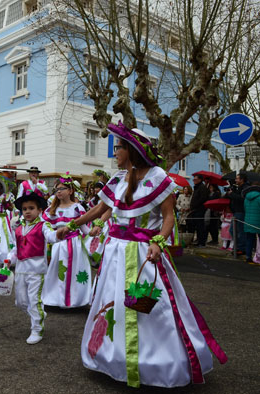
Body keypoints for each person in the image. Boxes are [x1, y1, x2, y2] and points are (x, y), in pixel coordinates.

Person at [58, 122, 226, 388]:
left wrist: (159, 241)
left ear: (133, 150)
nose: (115, 152)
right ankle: (112, 357)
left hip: (144, 252)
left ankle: (155, 362)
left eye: (119, 147)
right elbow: (100, 208)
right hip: (114, 251)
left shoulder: (159, 177)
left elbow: (169, 216)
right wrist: (72, 224)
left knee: (149, 306)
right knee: (111, 301)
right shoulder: (116, 179)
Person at [7, 192, 58, 345]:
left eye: (31, 208)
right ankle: (39, 314)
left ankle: (37, 329)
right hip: (21, 270)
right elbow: (15, 248)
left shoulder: (44, 226)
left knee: (34, 301)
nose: (27, 211)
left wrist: (61, 233)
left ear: (40, 210)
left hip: (37, 271)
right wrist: (8, 260)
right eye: (24, 209)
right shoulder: (18, 228)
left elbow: (51, 236)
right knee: (21, 302)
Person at [41, 174, 91, 308]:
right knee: (57, 271)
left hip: (75, 246)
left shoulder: (77, 208)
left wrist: (94, 232)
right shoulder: (52, 210)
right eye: (57, 189)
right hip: (58, 246)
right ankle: (55, 299)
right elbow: (45, 227)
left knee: (75, 271)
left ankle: (75, 299)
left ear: (70, 191)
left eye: (62, 188)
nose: (58, 191)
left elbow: (84, 228)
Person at [227, 172, 249, 254]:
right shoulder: (238, 187)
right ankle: (237, 247)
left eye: (237, 178)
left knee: (240, 231)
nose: (235, 180)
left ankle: (241, 248)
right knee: (233, 231)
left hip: (241, 211)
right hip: (236, 211)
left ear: (242, 180)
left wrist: (232, 194)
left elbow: (242, 199)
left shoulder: (245, 188)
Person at [189, 174, 209, 246]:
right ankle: (198, 240)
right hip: (195, 210)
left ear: (200, 180)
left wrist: (195, 205)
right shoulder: (197, 187)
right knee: (196, 226)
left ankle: (201, 242)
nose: (194, 181)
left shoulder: (202, 188)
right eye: (193, 179)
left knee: (200, 226)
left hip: (199, 210)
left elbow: (202, 199)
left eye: (195, 179)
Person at [243, 182, 260, 264]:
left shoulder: (246, 197)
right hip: (258, 221)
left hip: (248, 220)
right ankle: (258, 256)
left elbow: (245, 208)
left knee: (249, 239)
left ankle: (248, 256)